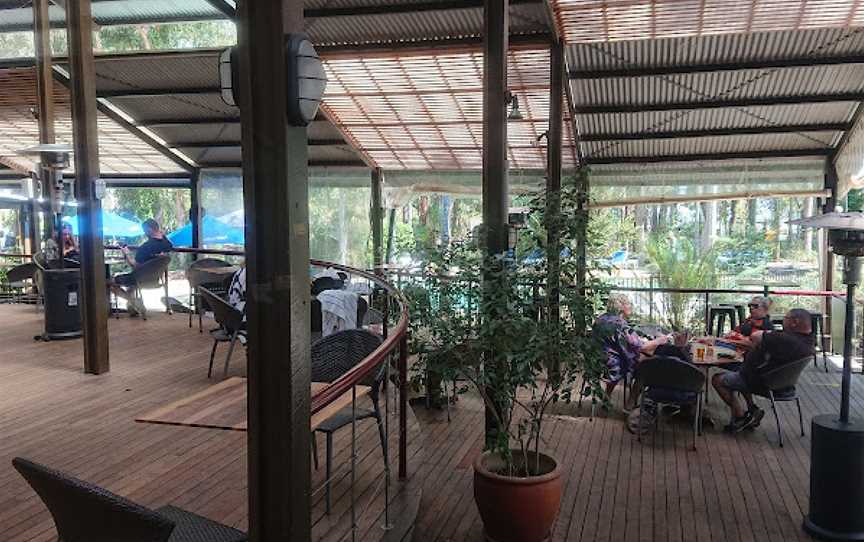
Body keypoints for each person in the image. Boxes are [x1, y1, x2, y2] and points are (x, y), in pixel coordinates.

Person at [712, 308, 814, 433]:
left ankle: (740, 416)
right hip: (785, 385)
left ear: (795, 322)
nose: (783, 321)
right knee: (739, 370)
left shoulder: (784, 339)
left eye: (785, 318)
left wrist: (770, 334)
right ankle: (752, 409)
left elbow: (755, 336)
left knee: (717, 379)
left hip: (762, 383)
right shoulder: (808, 341)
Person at [592, 294, 671, 402]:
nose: (631, 306)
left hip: (596, 361)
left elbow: (618, 341)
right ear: (620, 307)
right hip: (612, 363)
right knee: (645, 366)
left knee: (638, 357)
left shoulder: (600, 319)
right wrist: (660, 340)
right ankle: (631, 404)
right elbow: (640, 346)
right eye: (628, 304)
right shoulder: (620, 324)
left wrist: (639, 340)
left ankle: (607, 396)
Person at [110, 219, 173, 315]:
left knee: (110, 282)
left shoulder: (145, 248)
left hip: (139, 280)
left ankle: (134, 301)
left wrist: (126, 253)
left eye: (144, 230)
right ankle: (132, 308)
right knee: (131, 285)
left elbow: (134, 266)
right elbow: (165, 243)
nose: (144, 232)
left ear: (149, 229)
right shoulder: (168, 244)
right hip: (155, 279)